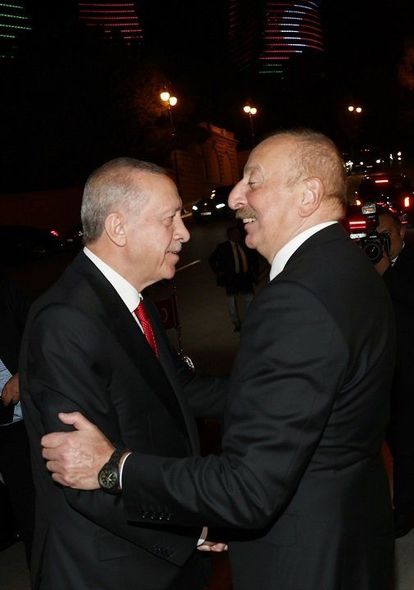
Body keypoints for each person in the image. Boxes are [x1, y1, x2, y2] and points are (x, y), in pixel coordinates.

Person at [42, 130, 396, 589]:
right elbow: (226, 395)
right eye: (170, 218)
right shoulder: (349, 268)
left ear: (308, 195)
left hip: (308, 555)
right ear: (119, 227)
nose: (234, 197)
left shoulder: (300, 298)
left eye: (253, 181)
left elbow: (248, 485)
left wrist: (117, 468)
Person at [19, 158, 227, 590]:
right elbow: (82, 477)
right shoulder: (65, 322)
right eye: (170, 218)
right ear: (118, 228)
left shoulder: (129, 299)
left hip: (160, 556)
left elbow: (178, 389)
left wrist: (272, 396)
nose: (184, 232)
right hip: (113, 569)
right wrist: (189, 526)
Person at [375, 208, 414, 538]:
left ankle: (403, 513)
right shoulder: (365, 265)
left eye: (386, 235)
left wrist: (385, 273)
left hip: (409, 376)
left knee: (404, 449)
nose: (382, 243)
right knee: (394, 444)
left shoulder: (408, 264)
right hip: (385, 377)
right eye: (376, 238)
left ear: (401, 231)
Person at [0, 274, 34, 566]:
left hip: (35, 418)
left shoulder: (5, 289)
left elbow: (43, 332)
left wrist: (25, 374)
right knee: (28, 515)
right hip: (5, 432)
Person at [209, 225, 258, 332]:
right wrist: (218, 272)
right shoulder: (223, 247)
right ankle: (237, 324)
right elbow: (212, 259)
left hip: (245, 277)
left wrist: (254, 272)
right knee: (232, 303)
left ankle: (251, 321)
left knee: (250, 299)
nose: (238, 236)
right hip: (232, 278)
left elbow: (253, 258)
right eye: (235, 234)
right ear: (230, 235)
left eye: (238, 233)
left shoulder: (245, 244)